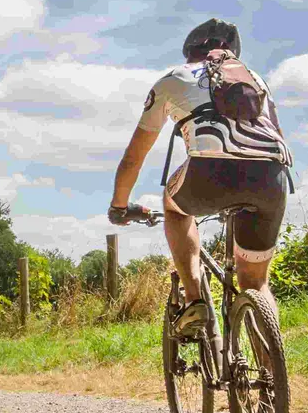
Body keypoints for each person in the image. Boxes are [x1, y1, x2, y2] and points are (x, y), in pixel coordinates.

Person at [107, 18, 292, 337]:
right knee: (256, 282)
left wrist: (119, 207)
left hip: (210, 174)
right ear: (232, 53)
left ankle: (195, 300)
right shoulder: (256, 80)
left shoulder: (173, 79)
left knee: (173, 207)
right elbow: (277, 136)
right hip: (271, 176)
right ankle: (272, 377)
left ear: (190, 51)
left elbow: (133, 158)